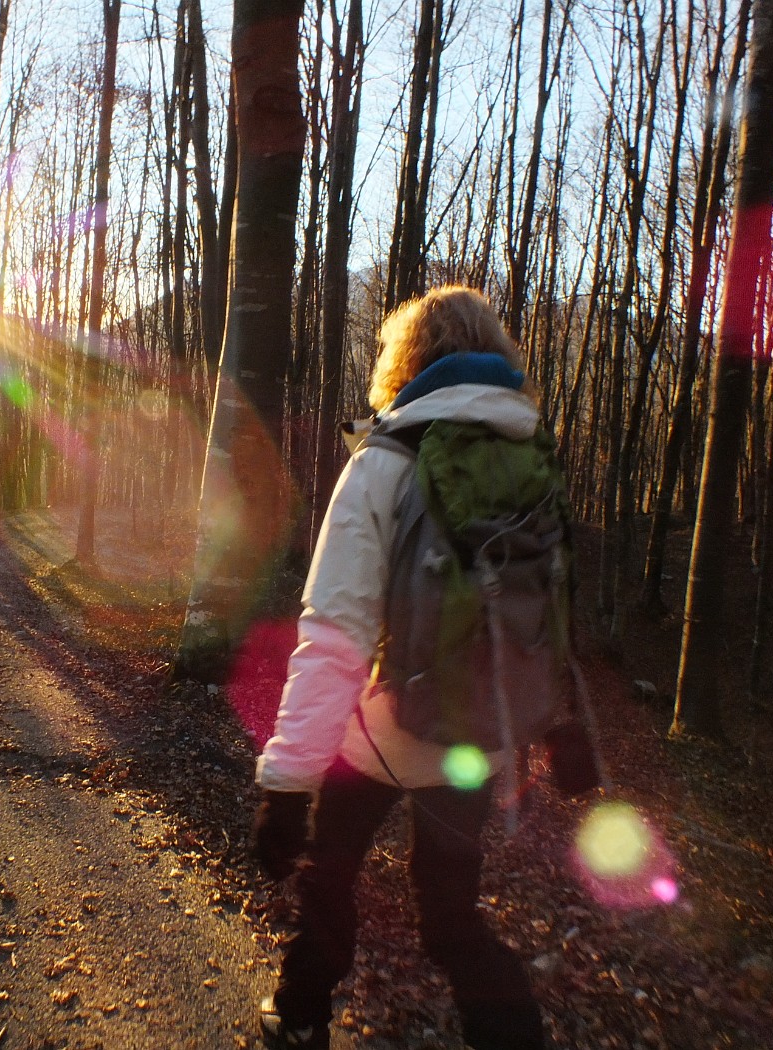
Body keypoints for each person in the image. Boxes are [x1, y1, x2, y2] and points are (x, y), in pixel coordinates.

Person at [252, 285, 548, 1050]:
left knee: (329, 874)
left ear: (406, 362)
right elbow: (546, 618)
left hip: (387, 732)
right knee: (451, 916)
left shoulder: (385, 461)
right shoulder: (525, 464)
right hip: (479, 741)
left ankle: (299, 1016)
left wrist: (287, 784)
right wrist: (546, 736)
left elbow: (336, 634)